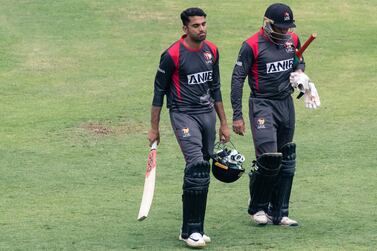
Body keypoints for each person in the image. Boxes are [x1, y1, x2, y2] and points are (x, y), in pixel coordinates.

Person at [230, 3, 320, 227]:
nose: (284, 32)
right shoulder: (251, 45)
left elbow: (298, 60)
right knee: (269, 157)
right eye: (279, 28)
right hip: (262, 103)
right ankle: (258, 207)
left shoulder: (293, 39)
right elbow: (237, 79)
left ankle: (279, 211)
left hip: (285, 103)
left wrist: (301, 76)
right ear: (267, 24)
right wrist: (237, 116)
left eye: (287, 28)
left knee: (285, 158)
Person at [148, 7, 230, 248]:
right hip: (183, 115)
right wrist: (154, 128)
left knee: (202, 169)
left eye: (204, 24)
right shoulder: (172, 55)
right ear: (185, 28)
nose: (202, 29)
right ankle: (192, 230)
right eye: (196, 25)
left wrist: (224, 122)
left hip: (207, 116)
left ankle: (193, 229)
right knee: (195, 165)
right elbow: (158, 93)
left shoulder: (212, 51)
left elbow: (215, 88)